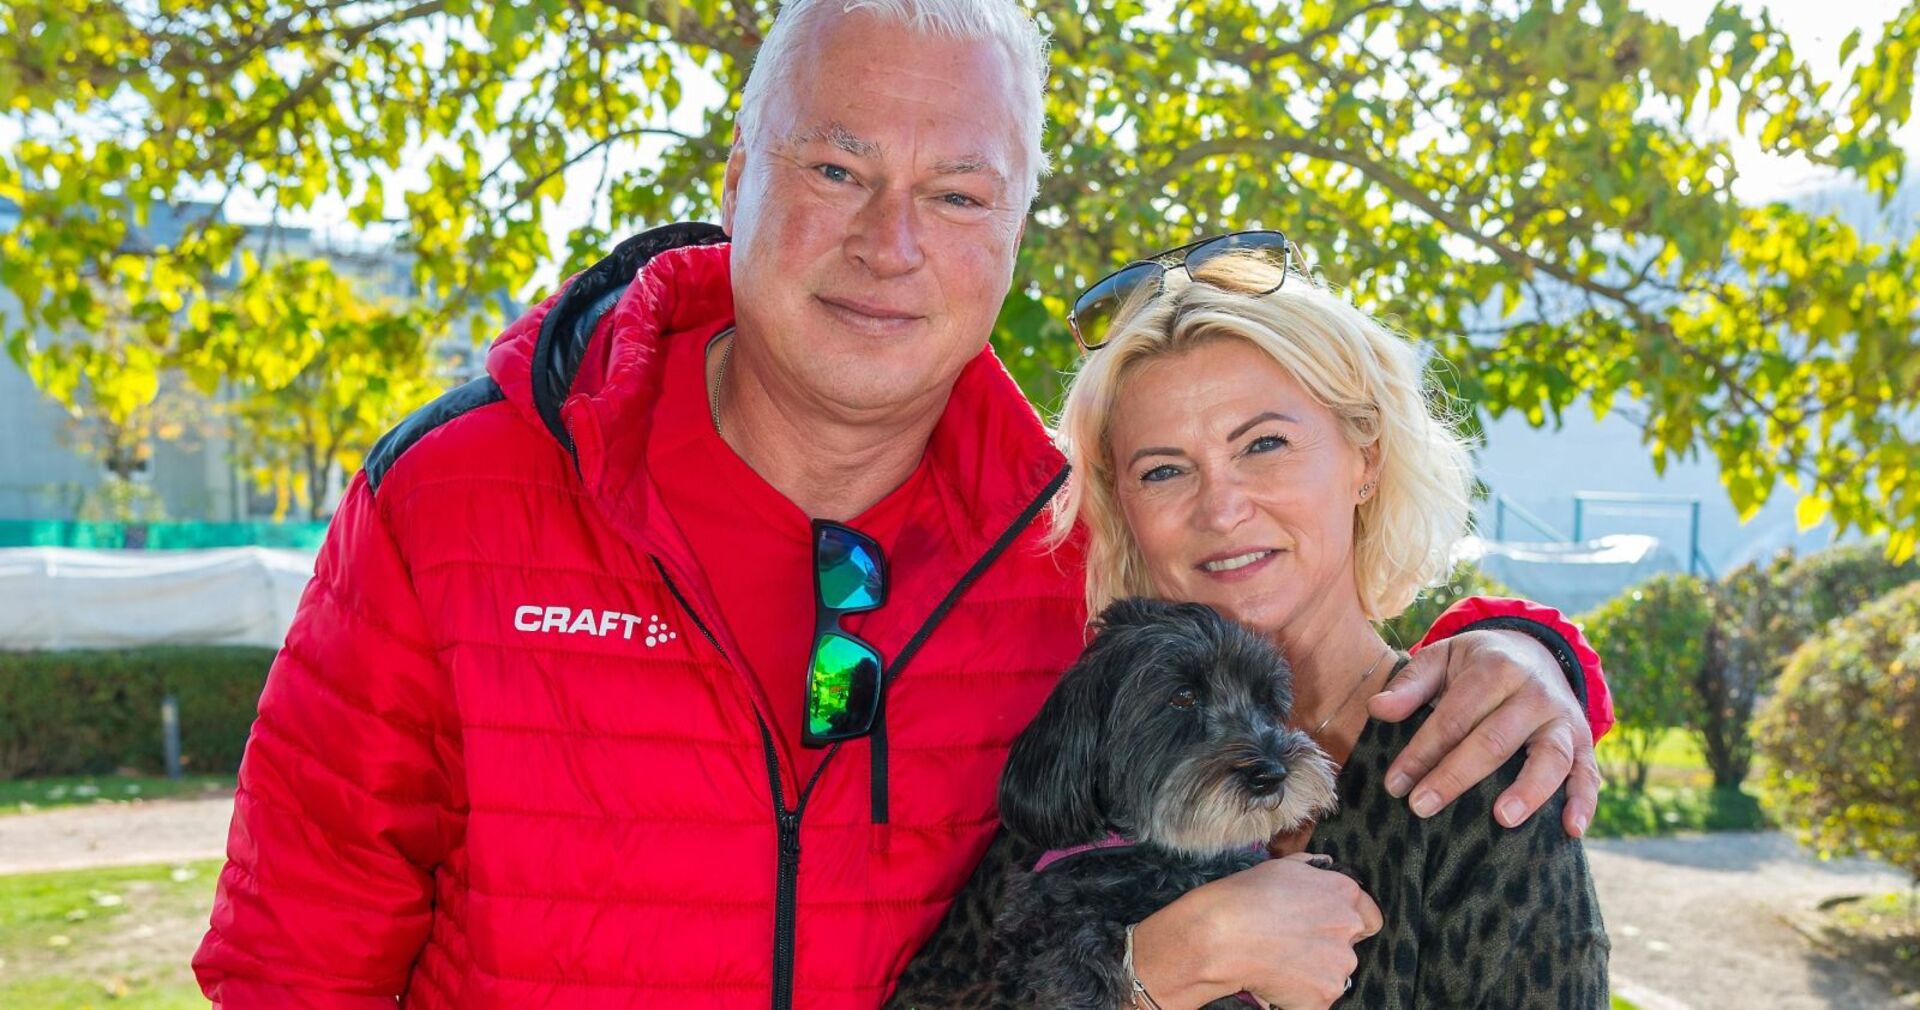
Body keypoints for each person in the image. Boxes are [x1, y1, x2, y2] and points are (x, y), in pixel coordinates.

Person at [191, 3, 1611, 1008]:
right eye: (837, 168)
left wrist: (1530, 651)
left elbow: (1276, 617)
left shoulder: (1053, 545)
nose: (890, 242)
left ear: (1011, 233)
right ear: (738, 175)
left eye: (956, 192)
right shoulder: (461, 498)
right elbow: (290, 965)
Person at [1050, 236, 1608, 1007]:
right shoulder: (1090, 768)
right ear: (1124, 510)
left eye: (1265, 444)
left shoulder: (1479, 763)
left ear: (1365, 458)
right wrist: (1151, 972)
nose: (1221, 508)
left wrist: (1541, 649)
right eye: (1165, 470)